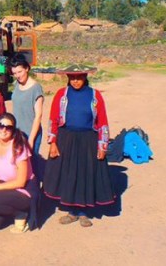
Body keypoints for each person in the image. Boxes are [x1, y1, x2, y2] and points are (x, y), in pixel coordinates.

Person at [43, 64, 115, 228]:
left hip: (88, 140)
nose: (75, 81)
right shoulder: (62, 95)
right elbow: (53, 119)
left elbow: (102, 121)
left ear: (85, 77)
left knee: (84, 174)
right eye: (72, 78)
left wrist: (102, 146)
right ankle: (71, 211)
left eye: (79, 77)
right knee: (69, 174)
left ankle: (84, 212)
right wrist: (52, 142)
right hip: (66, 139)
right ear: (68, 78)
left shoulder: (95, 96)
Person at [0, 113, 39, 233]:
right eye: (0, 125)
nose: (3, 130)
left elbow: (21, 181)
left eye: (8, 127)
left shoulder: (19, 146)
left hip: (24, 189)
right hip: (5, 187)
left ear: (13, 129)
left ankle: (22, 212)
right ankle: (12, 210)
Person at [9, 53, 44, 157]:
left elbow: (38, 116)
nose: (18, 76)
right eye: (14, 73)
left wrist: (31, 140)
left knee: (32, 166)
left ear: (27, 69)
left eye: (20, 72)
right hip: (18, 133)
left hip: (31, 133)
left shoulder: (36, 88)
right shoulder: (16, 85)